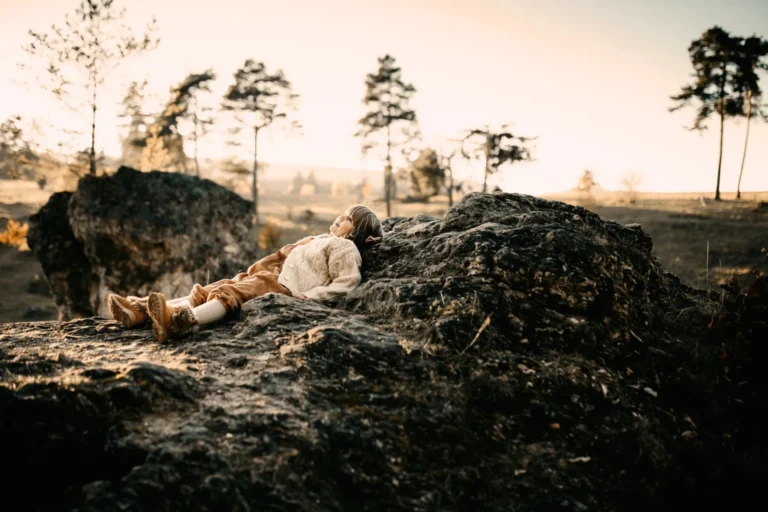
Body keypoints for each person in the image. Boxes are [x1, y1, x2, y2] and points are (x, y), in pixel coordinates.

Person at [108, 205, 382, 342]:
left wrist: (310, 297)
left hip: (285, 285)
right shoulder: (320, 238)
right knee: (212, 289)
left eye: (350, 219)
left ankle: (184, 322)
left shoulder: (345, 248)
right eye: (344, 214)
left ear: (359, 233)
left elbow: (347, 283)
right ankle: (141, 312)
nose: (341, 218)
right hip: (267, 274)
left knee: (230, 294)